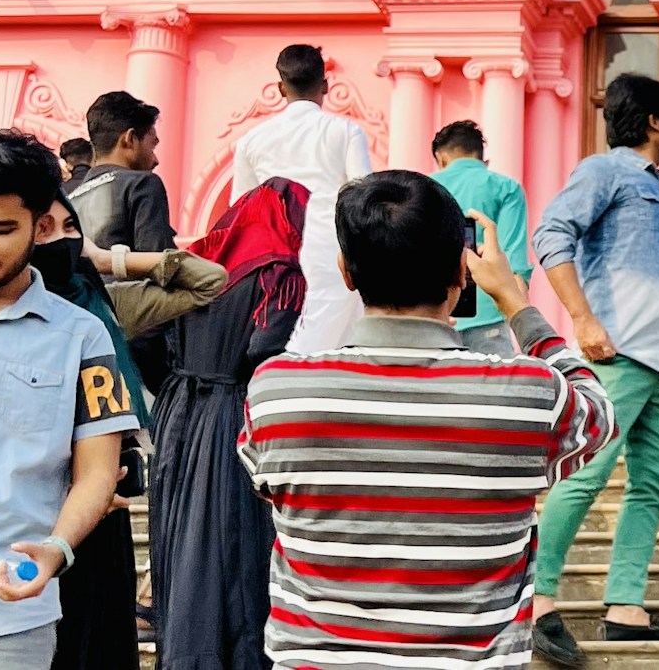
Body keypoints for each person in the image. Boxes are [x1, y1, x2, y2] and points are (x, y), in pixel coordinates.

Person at [239, 172, 613, 667]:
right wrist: (517, 302)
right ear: (463, 272)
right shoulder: (527, 393)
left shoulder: (275, 390)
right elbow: (598, 412)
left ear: (346, 273)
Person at [530, 73, 659, 661]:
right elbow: (550, 235)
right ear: (653, 121)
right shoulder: (605, 171)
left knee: (651, 485)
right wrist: (582, 319)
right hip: (618, 351)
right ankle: (538, 599)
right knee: (585, 476)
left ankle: (625, 606)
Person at [36, 190, 217, 670]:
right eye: (43, 230)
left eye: (69, 229)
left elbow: (209, 281)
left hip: (107, 493)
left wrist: (105, 256)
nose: (60, 243)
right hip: (39, 503)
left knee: (99, 636)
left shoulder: (107, 306)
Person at [0, 132, 137, 669]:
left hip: (12, 616)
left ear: (42, 226)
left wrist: (58, 548)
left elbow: (98, 471)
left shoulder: (83, 336)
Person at [150, 179, 309, 670]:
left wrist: (179, 380)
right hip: (230, 410)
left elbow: (145, 336)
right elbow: (262, 347)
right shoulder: (278, 271)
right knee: (229, 538)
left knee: (180, 537)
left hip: (177, 408)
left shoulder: (196, 259)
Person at [230, 43, 372, 353]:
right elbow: (363, 197)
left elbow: (240, 211)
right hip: (332, 256)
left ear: (281, 88)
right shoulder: (346, 131)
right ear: (325, 85)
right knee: (331, 353)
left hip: (274, 263)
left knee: (281, 351)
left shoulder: (250, 141)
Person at [428, 119, 532, 356]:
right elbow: (514, 262)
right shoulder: (505, 188)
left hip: (434, 316)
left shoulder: (426, 187)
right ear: (484, 161)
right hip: (488, 316)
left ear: (441, 159)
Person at [68, 91, 175, 255]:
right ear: (130, 138)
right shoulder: (142, 184)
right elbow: (161, 264)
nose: (156, 160)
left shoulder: (69, 199)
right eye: (152, 146)